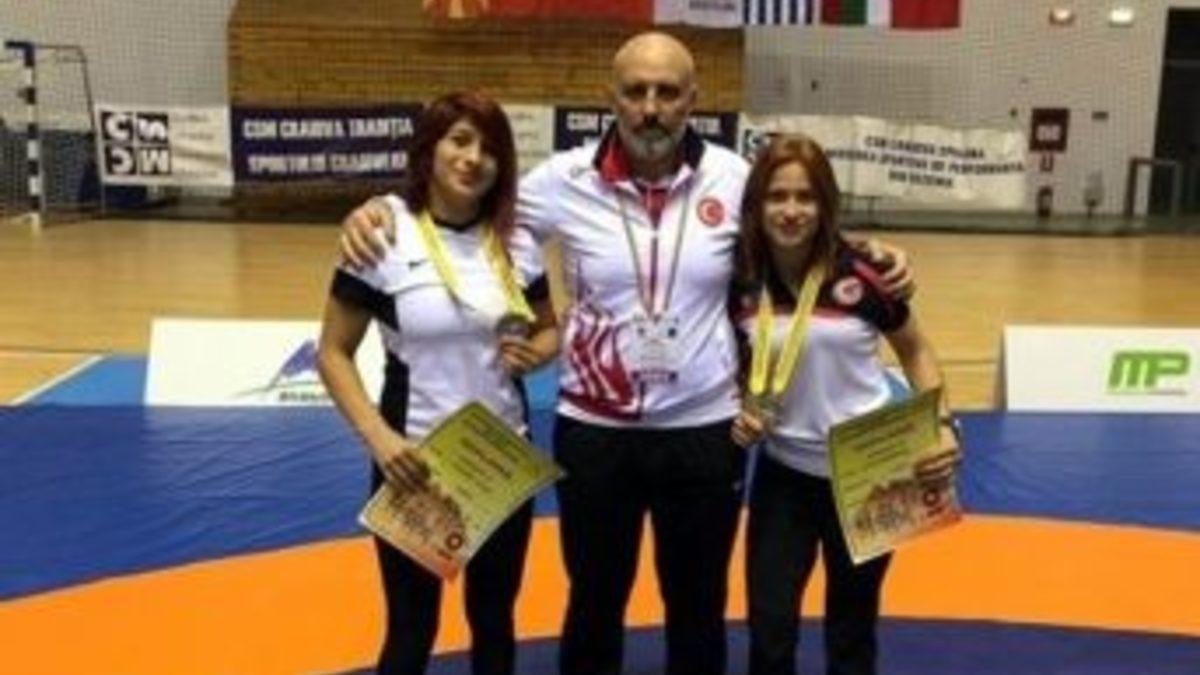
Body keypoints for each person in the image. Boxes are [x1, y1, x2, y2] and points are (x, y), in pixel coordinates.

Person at [337, 32, 913, 675]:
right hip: (596, 433)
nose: (651, 108)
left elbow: (798, 224)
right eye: (636, 91)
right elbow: (467, 201)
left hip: (704, 430)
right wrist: (382, 208)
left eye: (667, 92)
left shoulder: (734, 178)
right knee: (594, 601)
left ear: (693, 99)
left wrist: (870, 253)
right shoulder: (562, 180)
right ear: (610, 97)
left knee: (697, 605)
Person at [316, 90, 559, 675]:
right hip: (415, 466)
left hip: (499, 462)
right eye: (460, 141)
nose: (474, 158)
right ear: (429, 148)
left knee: (494, 620)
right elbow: (332, 352)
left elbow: (550, 328)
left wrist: (538, 352)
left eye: (490, 148)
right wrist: (380, 440)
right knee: (411, 627)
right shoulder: (381, 234)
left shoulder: (516, 242)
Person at [728, 133, 961, 675]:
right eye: (777, 196)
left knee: (852, 628)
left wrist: (942, 424)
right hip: (784, 474)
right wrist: (743, 404)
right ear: (757, 204)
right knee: (769, 626)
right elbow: (736, 360)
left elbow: (916, 350)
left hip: (871, 470)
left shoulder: (863, 271)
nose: (791, 211)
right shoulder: (739, 278)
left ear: (825, 204)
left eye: (805, 197)